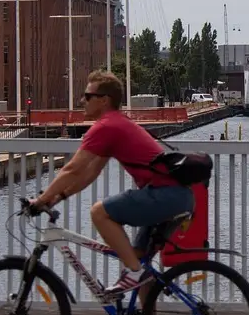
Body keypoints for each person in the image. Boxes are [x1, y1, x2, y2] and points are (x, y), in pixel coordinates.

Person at [28, 69, 194, 294]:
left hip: (165, 195)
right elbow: (89, 173)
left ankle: (135, 274)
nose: (81, 101)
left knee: (99, 212)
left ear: (104, 100)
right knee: (137, 261)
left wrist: (41, 200)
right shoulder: (116, 124)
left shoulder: (106, 126)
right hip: (176, 197)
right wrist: (57, 198)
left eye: (87, 96)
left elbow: (72, 168)